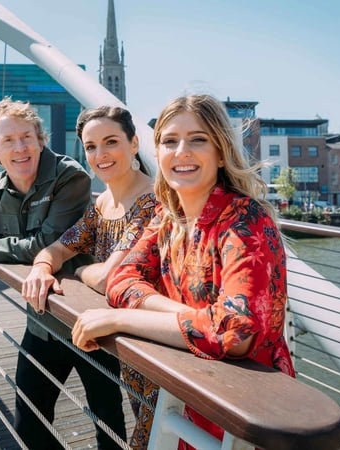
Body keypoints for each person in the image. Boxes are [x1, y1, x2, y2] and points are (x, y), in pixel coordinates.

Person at [71, 94, 295, 450]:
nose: (181, 151)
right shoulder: (167, 218)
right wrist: (195, 317)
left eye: (198, 140)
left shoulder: (244, 220)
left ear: (221, 152)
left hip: (246, 412)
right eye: (169, 141)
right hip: (186, 396)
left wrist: (120, 320)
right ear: (157, 153)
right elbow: (120, 280)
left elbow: (235, 334)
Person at [0, 98, 126, 450]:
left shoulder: (69, 176)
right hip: (41, 321)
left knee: (109, 426)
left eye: (26, 136)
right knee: (28, 422)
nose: (20, 148)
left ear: (41, 139)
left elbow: (47, 243)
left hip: (88, 322)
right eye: (8, 141)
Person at [21, 106, 156, 449]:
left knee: (154, 433)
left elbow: (112, 276)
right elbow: (56, 249)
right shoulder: (102, 204)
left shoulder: (152, 200)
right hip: (124, 341)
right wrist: (40, 269)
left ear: (135, 143)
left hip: (153, 342)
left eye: (111, 141)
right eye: (91, 146)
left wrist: (77, 269)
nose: (101, 154)